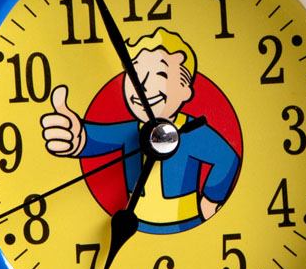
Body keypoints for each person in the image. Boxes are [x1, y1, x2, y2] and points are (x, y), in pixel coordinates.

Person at [40, 27, 240, 234]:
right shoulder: (132, 131)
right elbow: (96, 138)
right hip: (136, 225)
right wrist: (77, 138)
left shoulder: (192, 131)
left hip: (186, 223)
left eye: (160, 73)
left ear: (185, 89)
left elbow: (227, 158)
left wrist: (211, 199)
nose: (142, 85)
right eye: (135, 73)